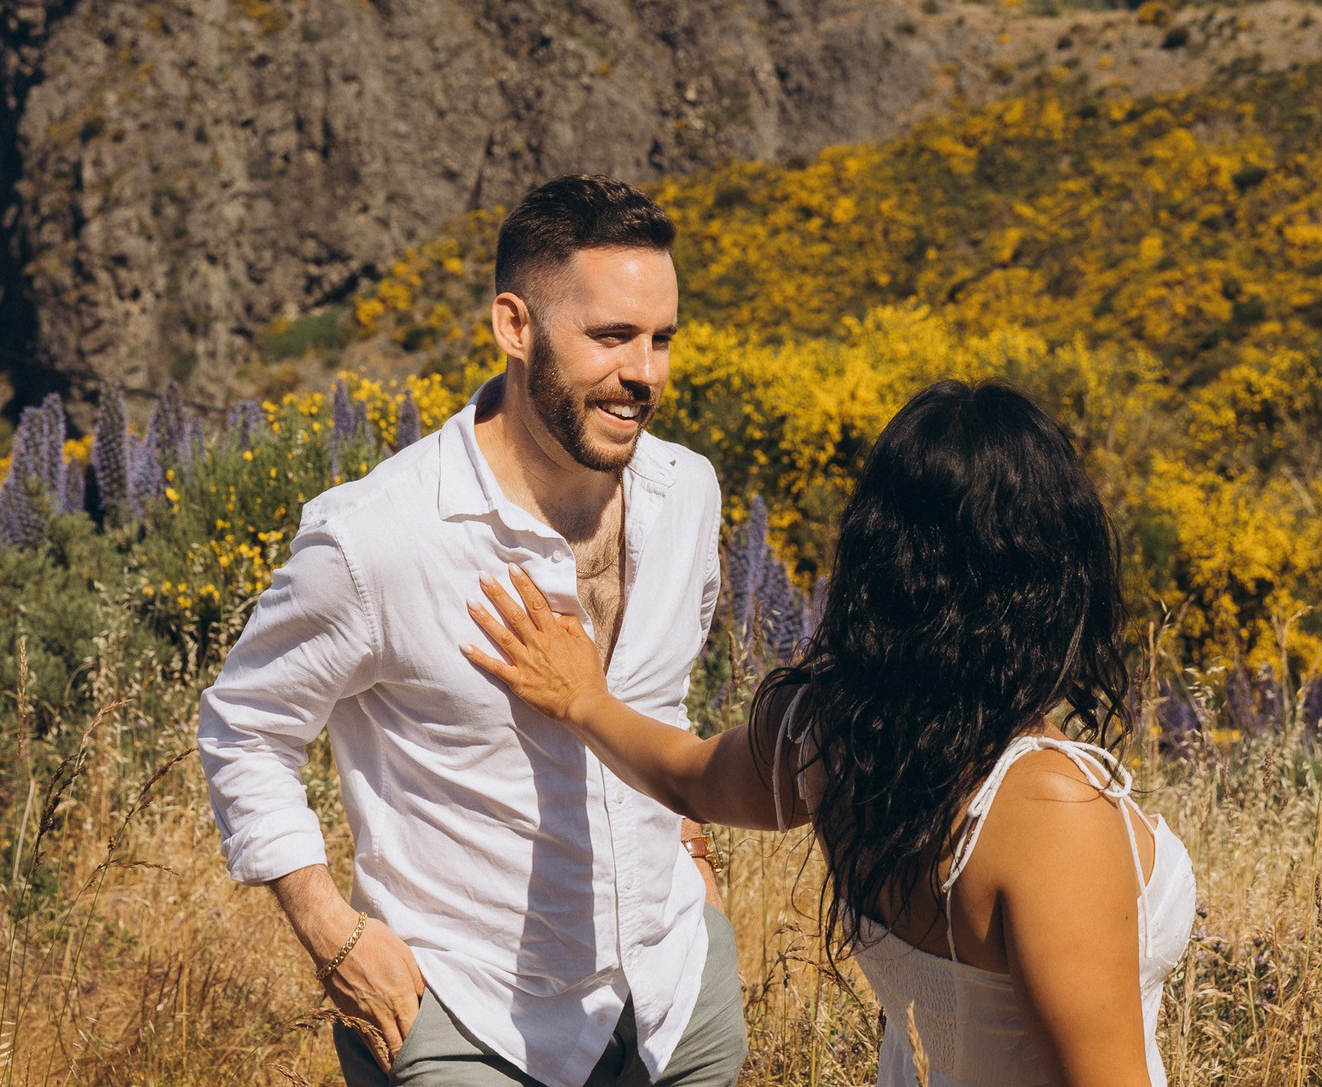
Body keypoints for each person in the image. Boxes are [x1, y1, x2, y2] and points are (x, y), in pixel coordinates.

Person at [463, 380, 1196, 1087]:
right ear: (1055, 572)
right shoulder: (1050, 812)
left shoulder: (831, 734)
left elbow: (687, 773)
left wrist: (584, 700)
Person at [198, 175, 747, 1087]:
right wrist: (334, 936)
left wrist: (688, 845)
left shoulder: (687, 490)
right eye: (611, 336)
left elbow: (666, 688)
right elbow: (243, 731)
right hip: (472, 1011)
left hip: (672, 987)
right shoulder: (377, 537)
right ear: (515, 326)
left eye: (661, 339)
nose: (645, 373)